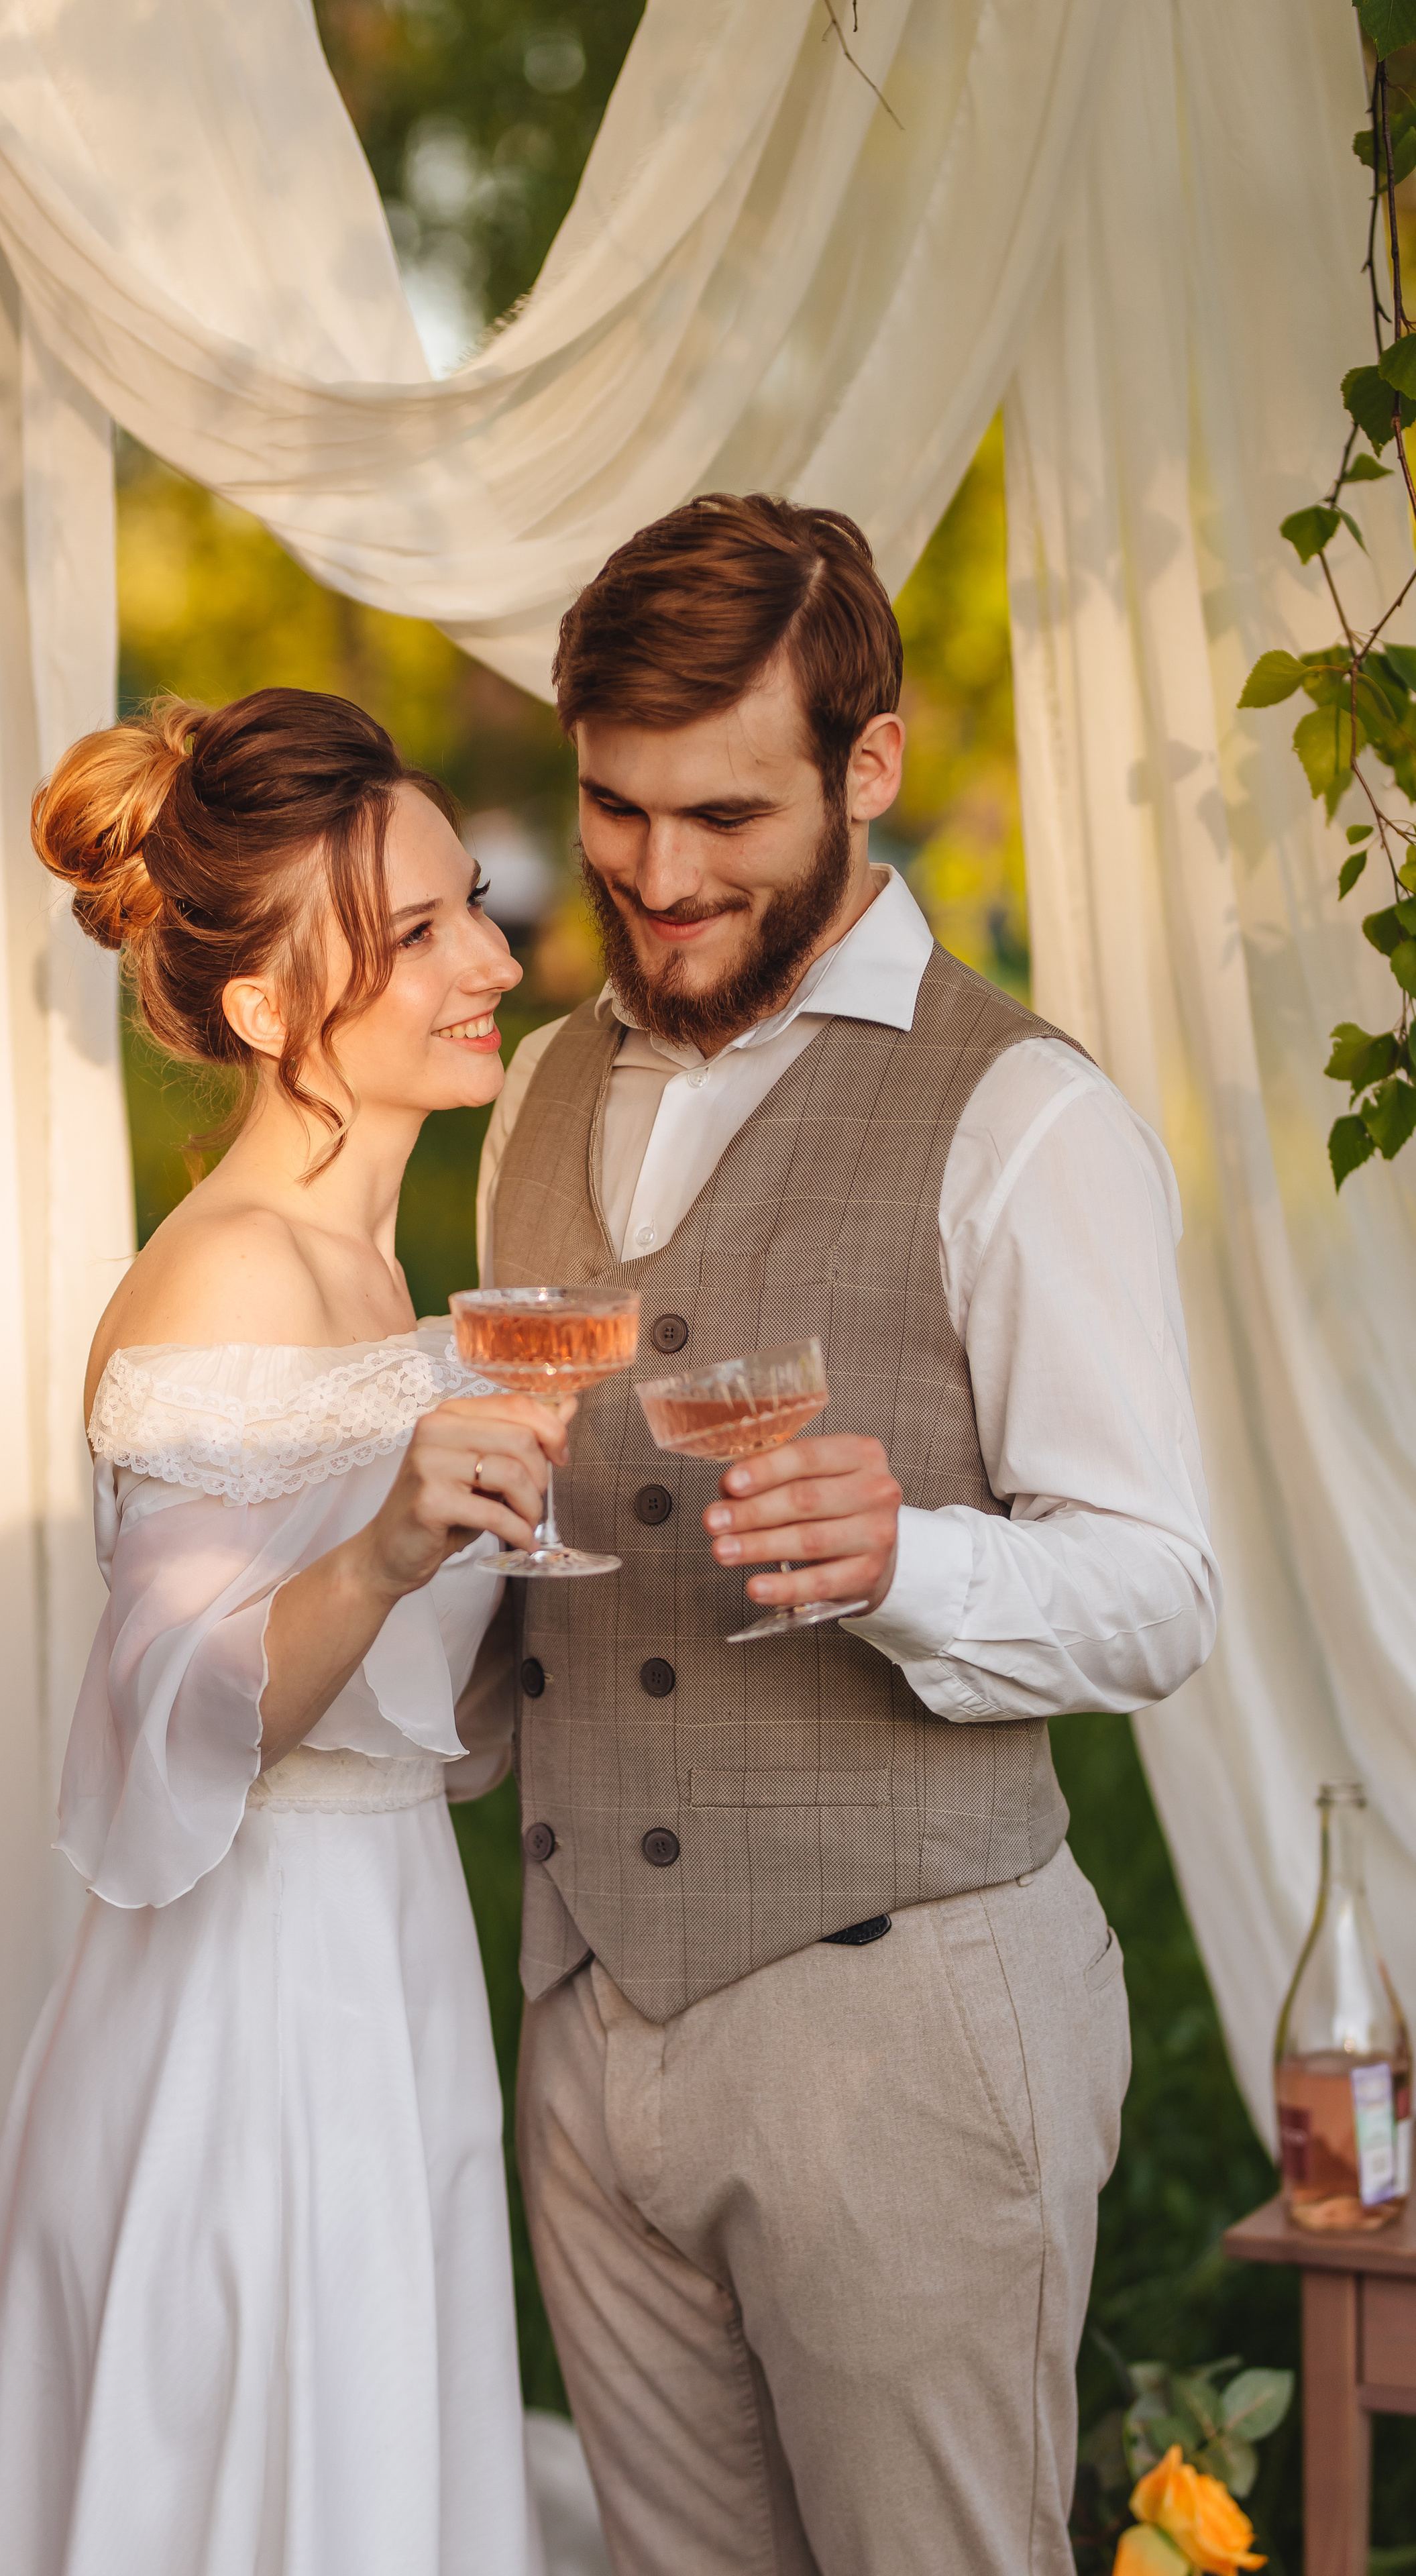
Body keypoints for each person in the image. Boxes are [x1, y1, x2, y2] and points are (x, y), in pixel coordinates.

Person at [472, 495, 1221, 2576]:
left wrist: (914, 1563)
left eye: (726, 812)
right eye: (617, 810)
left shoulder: (1025, 1118)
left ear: (863, 767)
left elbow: (1161, 1593)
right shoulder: (537, 1086)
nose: (660, 873)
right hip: (590, 2023)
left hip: (901, 2023)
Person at [0, 688, 561, 2576]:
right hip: (263, 2015)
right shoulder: (224, 1272)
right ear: (275, 1010)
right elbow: (157, 1695)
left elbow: (411, 1712)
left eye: (475, 904)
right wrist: (384, 1549)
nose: (496, 959)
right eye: (427, 933)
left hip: (389, 1963)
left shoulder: (376, 1268)